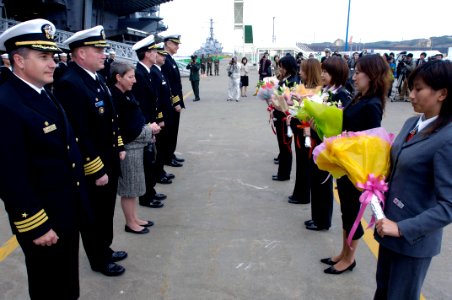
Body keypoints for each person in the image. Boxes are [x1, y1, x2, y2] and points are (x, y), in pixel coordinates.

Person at [0, 18, 90, 299]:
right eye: (43, 57)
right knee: (48, 285)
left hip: (64, 208)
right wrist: (36, 224)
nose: (53, 63)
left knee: (65, 279)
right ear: (19, 60)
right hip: (43, 218)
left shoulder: (41, 92)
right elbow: (9, 175)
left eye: (52, 56)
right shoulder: (6, 104)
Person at [374, 60, 452, 299]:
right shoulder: (412, 123)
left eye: (418, 89)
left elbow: (448, 205)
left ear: (443, 93)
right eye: (411, 88)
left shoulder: (447, 139)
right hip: (387, 229)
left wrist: (402, 228)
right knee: (383, 292)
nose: (411, 94)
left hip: (412, 242)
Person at [54, 25, 127, 277]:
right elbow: (78, 133)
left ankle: (104, 249)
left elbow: (111, 119)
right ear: (81, 53)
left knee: (106, 211)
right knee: (94, 214)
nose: (104, 54)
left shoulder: (94, 77)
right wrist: (95, 168)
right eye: (98, 50)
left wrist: (118, 145)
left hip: (108, 157)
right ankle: (99, 259)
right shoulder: (70, 83)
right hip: (95, 164)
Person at [321, 54, 391, 275]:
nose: (355, 74)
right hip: (346, 164)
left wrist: (348, 140)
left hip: (356, 169)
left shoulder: (372, 104)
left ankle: (349, 259)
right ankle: (343, 252)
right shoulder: (359, 97)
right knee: (346, 212)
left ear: (372, 75)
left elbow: (372, 142)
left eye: (360, 71)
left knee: (352, 213)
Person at [109, 61, 159, 234]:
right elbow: (124, 127)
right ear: (118, 77)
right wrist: (148, 129)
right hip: (129, 148)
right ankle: (130, 223)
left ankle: (134, 217)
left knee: (135, 186)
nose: (134, 81)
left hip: (137, 146)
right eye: (130, 77)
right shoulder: (115, 97)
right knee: (129, 189)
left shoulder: (126, 94)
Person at [304, 56, 352, 232]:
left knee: (323, 183)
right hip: (319, 141)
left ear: (336, 73)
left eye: (326, 71)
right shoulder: (326, 90)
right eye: (322, 71)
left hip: (329, 145)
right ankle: (316, 216)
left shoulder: (342, 95)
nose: (322, 74)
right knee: (316, 180)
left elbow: (342, 122)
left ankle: (322, 220)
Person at [131, 34, 167, 206]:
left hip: (150, 124)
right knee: (146, 162)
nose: (156, 53)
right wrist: (147, 128)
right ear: (146, 53)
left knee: (150, 160)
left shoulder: (147, 73)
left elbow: (153, 102)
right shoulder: (139, 74)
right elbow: (140, 106)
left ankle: (150, 191)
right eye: (153, 51)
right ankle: (146, 197)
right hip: (145, 126)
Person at [288, 58, 322, 204]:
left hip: (309, 131)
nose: (300, 73)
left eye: (302, 70)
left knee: (305, 163)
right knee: (301, 163)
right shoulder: (301, 87)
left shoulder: (318, 92)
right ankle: (299, 193)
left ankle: (303, 195)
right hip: (300, 129)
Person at [152, 43, 182, 183]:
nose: (163, 57)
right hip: (162, 114)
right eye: (160, 54)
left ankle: (163, 165)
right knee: (161, 142)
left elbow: (171, 87)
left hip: (167, 109)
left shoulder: (160, 69)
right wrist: (160, 117)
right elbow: (156, 97)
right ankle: (160, 169)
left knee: (167, 137)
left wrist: (176, 101)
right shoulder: (155, 71)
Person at [272, 55, 300, 181]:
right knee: (282, 146)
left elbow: (291, 102)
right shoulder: (287, 79)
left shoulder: (292, 81)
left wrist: (278, 105)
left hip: (285, 117)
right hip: (280, 115)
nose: (280, 70)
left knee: (285, 146)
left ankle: (284, 174)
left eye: (282, 67)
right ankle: (282, 172)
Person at [161, 34, 185, 167]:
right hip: (171, 103)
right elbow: (169, 85)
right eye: (175, 44)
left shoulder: (170, 59)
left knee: (173, 130)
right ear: (168, 43)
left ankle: (171, 153)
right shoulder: (165, 60)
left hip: (175, 102)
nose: (178, 47)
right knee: (169, 131)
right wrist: (175, 102)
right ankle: (167, 156)